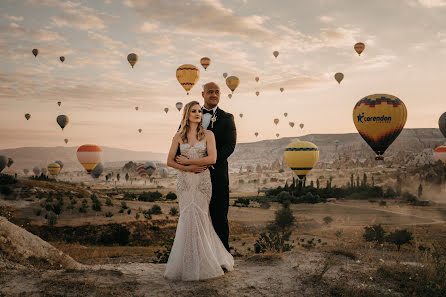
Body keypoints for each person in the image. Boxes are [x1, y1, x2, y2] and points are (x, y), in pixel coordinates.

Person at [164, 99, 234, 281]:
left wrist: (189, 161)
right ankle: (186, 263)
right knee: (187, 216)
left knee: (201, 216)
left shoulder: (208, 135)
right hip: (185, 182)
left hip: (203, 182)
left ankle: (206, 260)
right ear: (186, 114)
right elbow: (169, 161)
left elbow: (212, 158)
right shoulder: (178, 136)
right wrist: (187, 168)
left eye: (199, 111)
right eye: (193, 111)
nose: (197, 114)